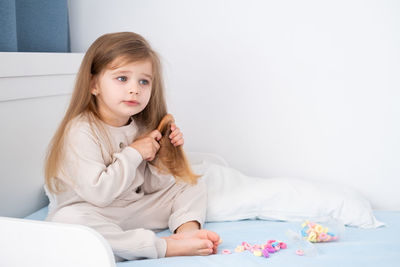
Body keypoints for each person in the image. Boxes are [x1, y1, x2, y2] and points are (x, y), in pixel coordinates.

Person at [44, 31, 220, 261]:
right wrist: (134, 152)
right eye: (122, 78)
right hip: (96, 211)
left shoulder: (141, 126)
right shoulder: (81, 130)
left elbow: (150, 186)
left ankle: (188, 233)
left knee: (191, 184)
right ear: (94, 84)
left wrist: (165, 154)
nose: (134, 89)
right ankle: (163, 247)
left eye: (143, 81)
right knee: (67, 222)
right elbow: (99, 194)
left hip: (133, 210)